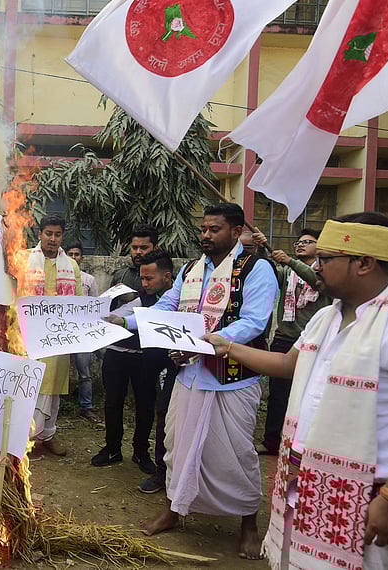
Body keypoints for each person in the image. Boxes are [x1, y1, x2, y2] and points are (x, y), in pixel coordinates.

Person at [204, 213, 388, 570]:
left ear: (365, 263)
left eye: (325, 259)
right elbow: (288, 366)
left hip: (370, 497)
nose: (316, 266)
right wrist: (224, 346)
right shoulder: (327, 318)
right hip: (309, 487)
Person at [114, 203, 278, 559]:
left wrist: (200, 343)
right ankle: (175, 509)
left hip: (231, 379)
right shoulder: (191, 269)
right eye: (203, 229)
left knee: (236, 453)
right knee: (178, 444)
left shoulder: (256, 268)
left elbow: (253, 322)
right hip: (189, 375)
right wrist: (125, 323)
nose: (205, 235)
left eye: (214, 229)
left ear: (236, 232)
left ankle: (248, 521)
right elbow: (166, 307)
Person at [251, 228, 331, 455]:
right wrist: (261, 246)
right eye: (299, 242)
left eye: (308, 241)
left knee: (310, 393)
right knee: (278, 394)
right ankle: (272, 441)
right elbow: (267, 273)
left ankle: (303, 443)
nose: (301, 245)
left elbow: (315, 281)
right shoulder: (287, 271)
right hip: (284, 338)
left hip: (315, 340)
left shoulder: (325, 271)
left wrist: (290, 261)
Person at [94, 250, 173, 477]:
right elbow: (116, 314)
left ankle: (141, 452)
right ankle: (112, 448)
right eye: (142, 278)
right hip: (117, 353)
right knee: (112, 403)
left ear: (166, 276)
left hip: (146, 357)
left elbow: (148, 318)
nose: (144, 283)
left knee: (146, 405)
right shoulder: (133, 292)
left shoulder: (177, 298)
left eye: (149, 279)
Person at [24, 215, 83, 458]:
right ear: (40, 234)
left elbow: (80, 301)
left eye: (58, 234)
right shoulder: (24, 259)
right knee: (29, 386)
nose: (53, 239)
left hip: (57, 339)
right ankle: (26, 438)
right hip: (27, 335)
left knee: (53, 389)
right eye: (48, 233)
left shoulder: (71, 265)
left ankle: (47, 434)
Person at [64, 241, 99, 420]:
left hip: (82, 332)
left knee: (84, 372)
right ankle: (53, 409)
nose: (74, 257)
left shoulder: (89, 280)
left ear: (82, 257)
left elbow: (95, 305)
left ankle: (86, 406)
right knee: (56, 370)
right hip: (61, 330)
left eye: (77, 254)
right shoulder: (59, 275)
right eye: (70, 254)